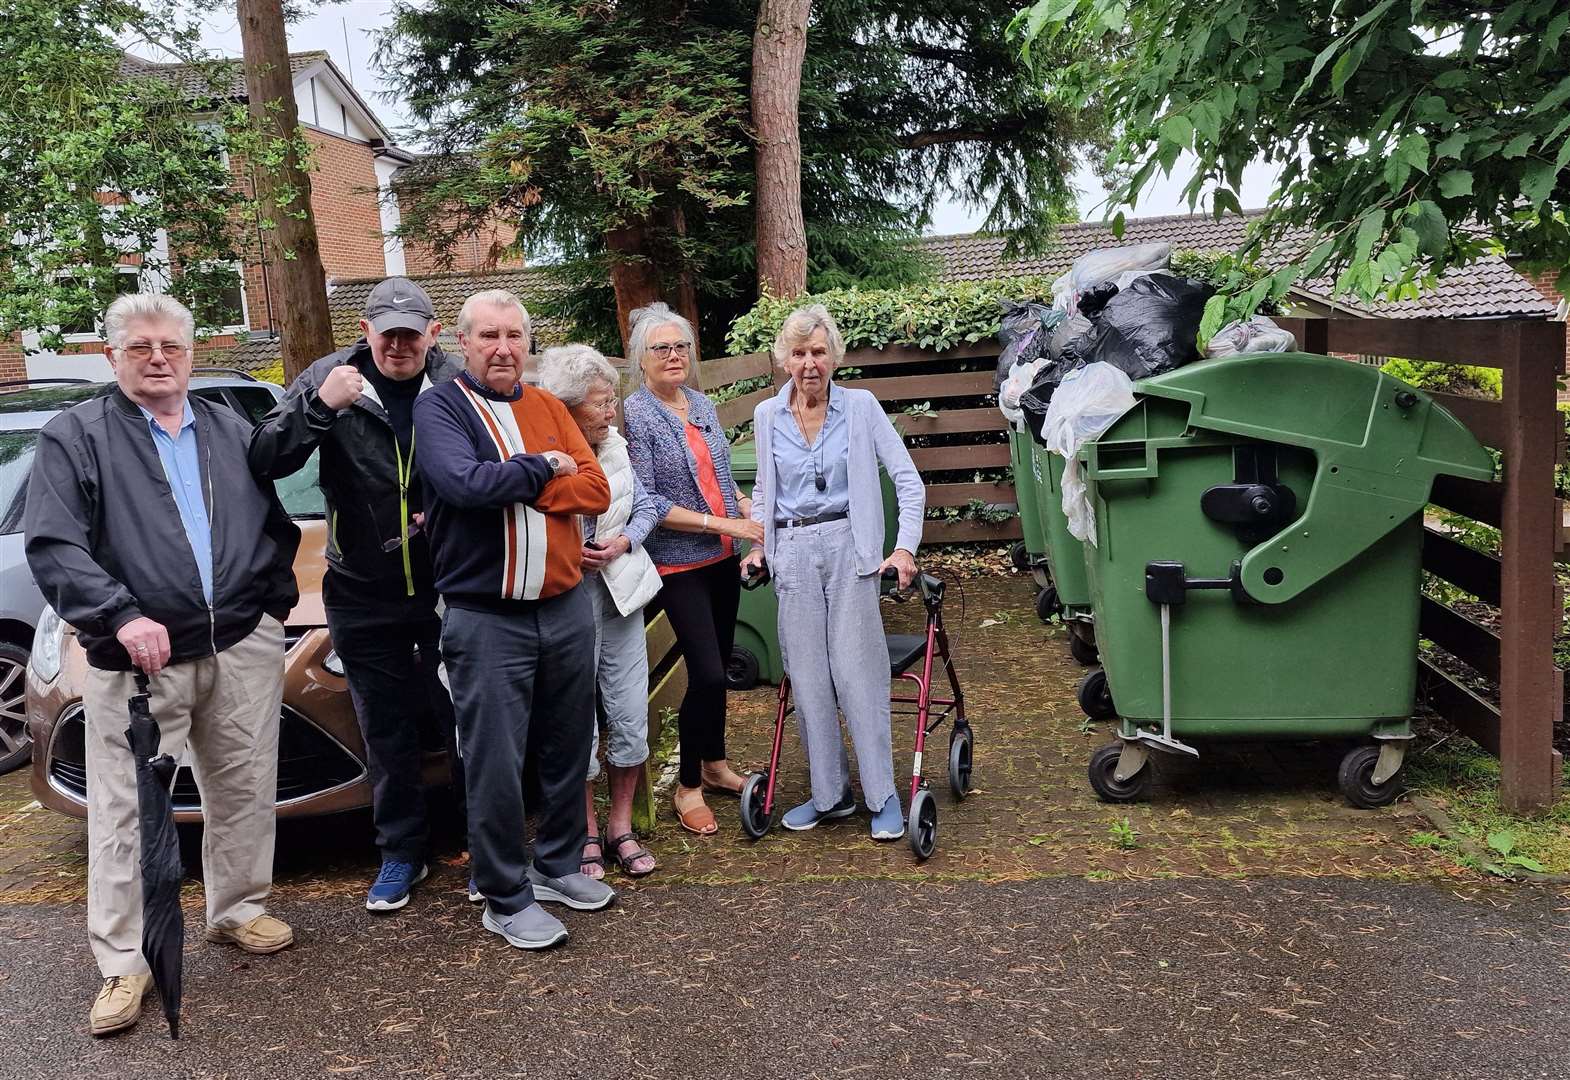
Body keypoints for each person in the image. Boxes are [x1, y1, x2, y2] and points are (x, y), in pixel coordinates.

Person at [23, 293, 301, 1036]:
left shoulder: (223, 427)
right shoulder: (76, 436)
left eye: (170, 347)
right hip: (140, 659)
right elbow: (54, 544)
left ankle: (237, 909)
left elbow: (270, 520)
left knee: (242, 782)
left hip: (239, 640)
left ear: (189, 354)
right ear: (112, 357)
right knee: (126, 811)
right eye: (140, 347)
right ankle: (124, 961)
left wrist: (270, 601)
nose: (157, 359)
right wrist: (120, 612)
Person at [248, 277, 462, 913]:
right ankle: (400, 852)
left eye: (411, 334)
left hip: (448, 584)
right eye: (386, 333)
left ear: (432, 333)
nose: (399, 345)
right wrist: (318, 406)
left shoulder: (456, 381)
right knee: (385, 724)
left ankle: (481, 843)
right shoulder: (328, 376)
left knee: (465, 719)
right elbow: (264, 457)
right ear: (365, 332)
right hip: (360, 588)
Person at [413, 289, 614, 950]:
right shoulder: (440, 406)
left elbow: (596, 488)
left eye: (514, 337)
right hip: (486, 617)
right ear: (463, 343)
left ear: (528, 344)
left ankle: (557, 865)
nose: (503, 348)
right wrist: (540, 466)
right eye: (488, 336)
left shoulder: (550, 404)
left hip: (563, 607)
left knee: (565, 746)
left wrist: (522, 478)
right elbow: (463, 485)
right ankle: (504, 893)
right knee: (495, 760)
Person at [739, 304, 925, 842]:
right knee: (809, 678)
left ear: (834, 357)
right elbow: (764, 494)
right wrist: (758, 546)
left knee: (858, 674)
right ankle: (830, 796)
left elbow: (909, 483)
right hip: (792, 550)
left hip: (849, 546)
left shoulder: (861, 407)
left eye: (818, 352)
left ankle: (883, 794)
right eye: (798, 353)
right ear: (784, 360)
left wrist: (904, 549)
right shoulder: (767, 416)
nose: (809, 363)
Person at [621, 302, 764, 835]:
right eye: (661, 348)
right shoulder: (637, 413)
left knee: (721, 664)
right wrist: (724, 526)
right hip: (677, 564)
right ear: (642, 360)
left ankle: (716, 762)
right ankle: (687, 786)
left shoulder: (698, 403)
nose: (674, 355)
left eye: (681, 346)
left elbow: (719, 475)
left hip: (721, 559)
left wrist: (744, 507)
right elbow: (651, 502)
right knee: (704, 672)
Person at [538, 344, 662, 878]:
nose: (612, 411)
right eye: (599, 402)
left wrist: (625, 541)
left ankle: (622, 826)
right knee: (575, 716)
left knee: (630, 711)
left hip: (621, 592)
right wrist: (570, 548)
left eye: (611, 399)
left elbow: (649, 504)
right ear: (567, 407)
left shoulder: (617, 446)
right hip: (567, 595)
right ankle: (586, 828)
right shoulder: (543, 451)